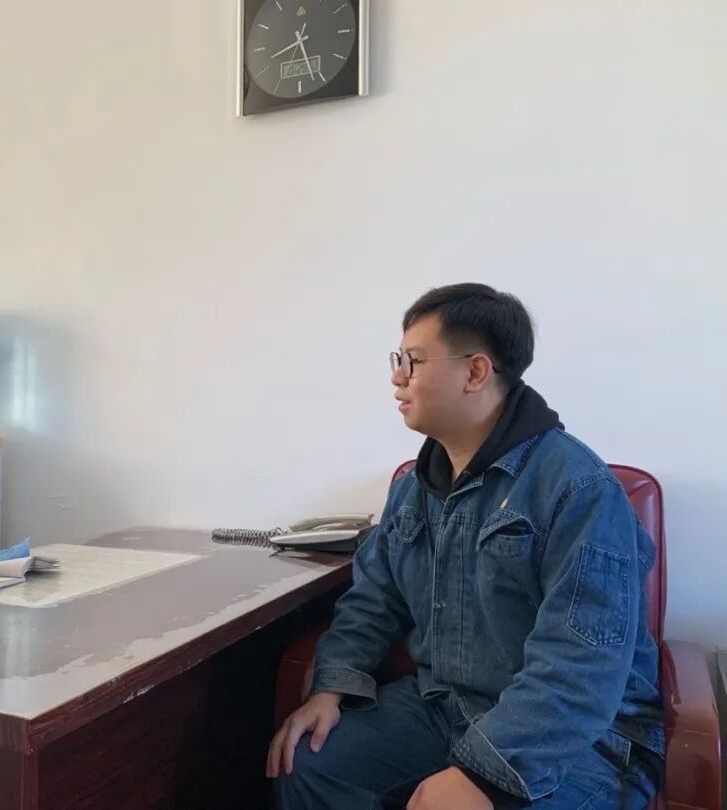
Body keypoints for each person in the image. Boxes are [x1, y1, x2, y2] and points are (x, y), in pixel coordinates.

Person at [268, 283, 664, 809]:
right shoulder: (412, 489)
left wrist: (485, 773)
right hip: (446, 707)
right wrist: (330, 686)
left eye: (412, 361)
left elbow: (581, 663)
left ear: (475, 372)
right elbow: (373, 599)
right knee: (311, 763)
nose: (396, 377)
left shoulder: (579, 489)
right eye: (397, 361)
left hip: (582, 738)